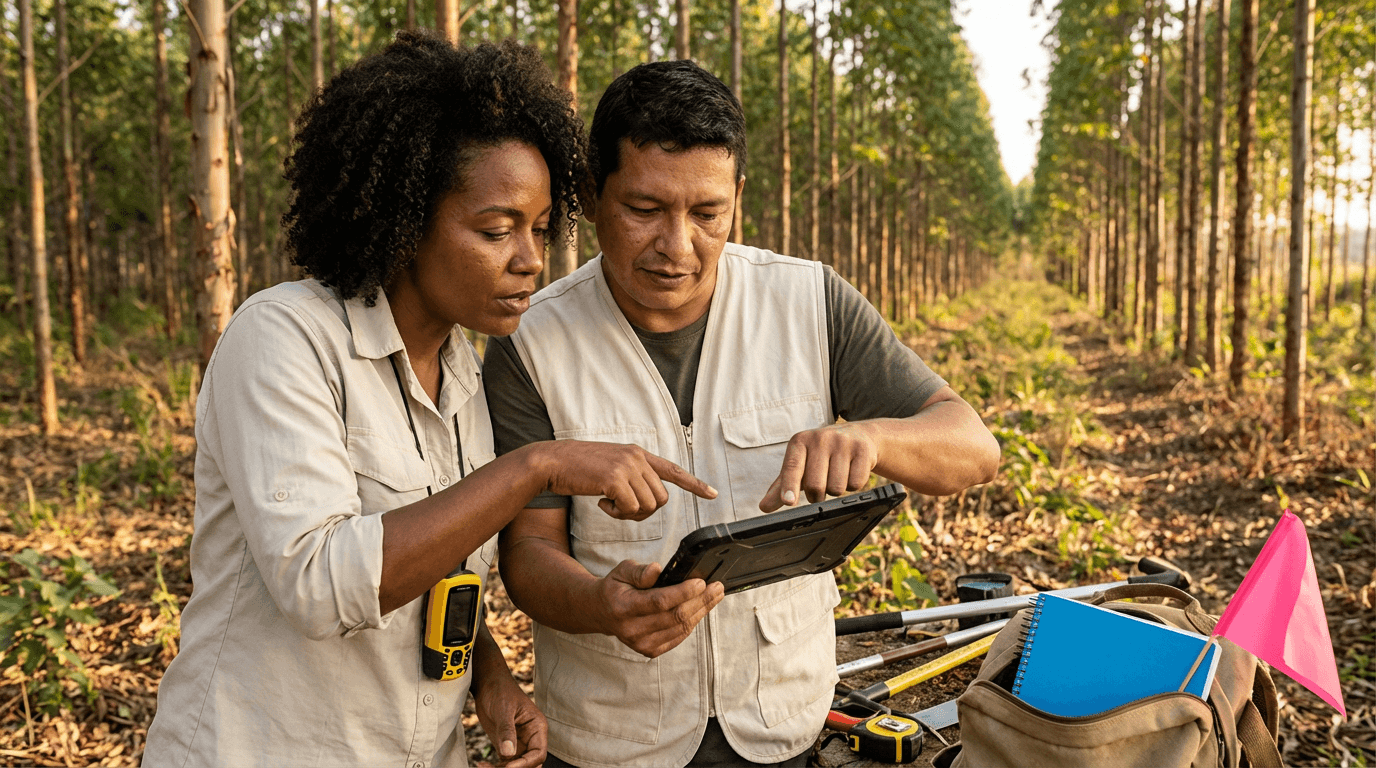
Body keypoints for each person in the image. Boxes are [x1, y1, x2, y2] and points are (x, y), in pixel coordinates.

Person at [143, 35, 715, 768]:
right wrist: (534, 467)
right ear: (406, 219)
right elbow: (319, 583)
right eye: (496, 229)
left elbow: (441, 562)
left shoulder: (463, 373)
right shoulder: (283, 338)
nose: (530, 259)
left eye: (540, 230)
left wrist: (490, 674)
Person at [485, 60, 1002, 768]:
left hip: (783, 720)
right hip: (610, 738)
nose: (677, 245)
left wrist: (873, 437)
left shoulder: (808, 305)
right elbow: (529, 553)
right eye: (644, 210)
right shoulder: (531, 342)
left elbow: (973, 447)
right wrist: (603, 604)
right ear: (591, 195)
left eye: (707, 214)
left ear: (738, 197)